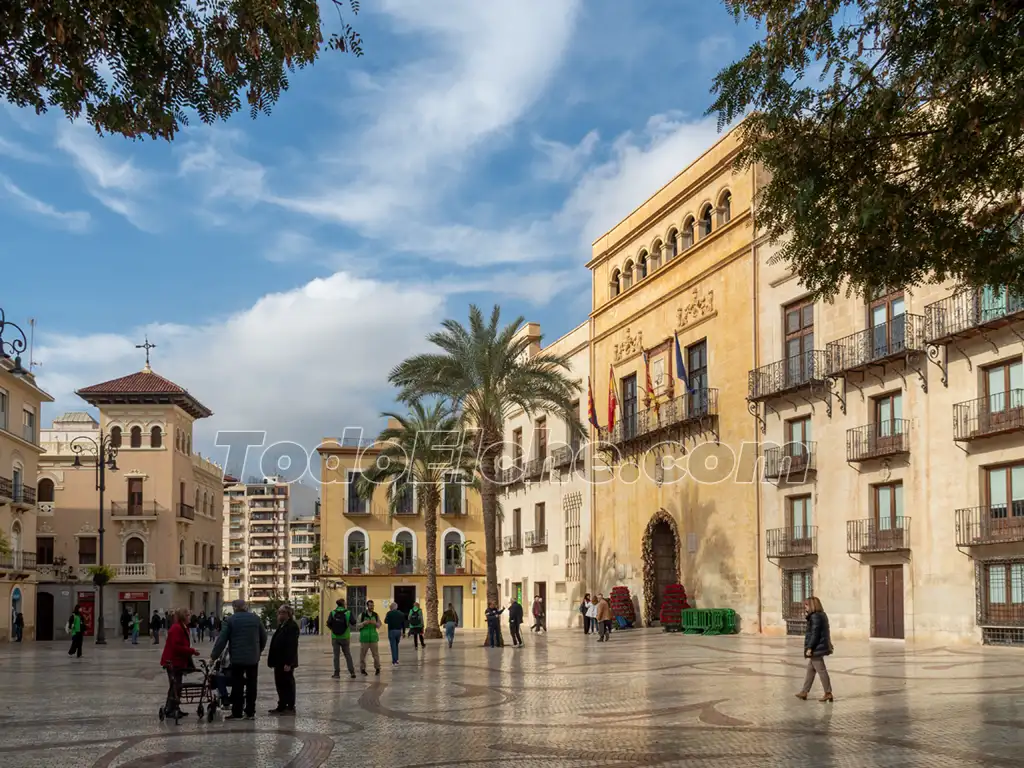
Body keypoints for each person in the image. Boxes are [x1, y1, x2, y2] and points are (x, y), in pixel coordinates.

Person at [212, 599, 267, 720]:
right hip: (253, 658)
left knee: (238, 685)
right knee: (252, 684)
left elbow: (222, 640)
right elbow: (264, 636)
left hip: (237, 659)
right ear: (245, 607)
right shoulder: (255, 619)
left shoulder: (230, 620)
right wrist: (258, 651)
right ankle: (250, 712)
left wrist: (213, 656)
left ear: (234, 607)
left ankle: (237, 712)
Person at [161, 607, 200, 719]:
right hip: (172, 662)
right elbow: (176, 647)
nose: (190, 617)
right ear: (183, 616)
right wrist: (192, 651)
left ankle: (175, 708)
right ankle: (169, 710)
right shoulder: (176, 628)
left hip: (179, 662)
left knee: (178, 686)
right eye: (188, 615)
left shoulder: (183, 627)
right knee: (175, 686)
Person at [796, 596, 834, 703]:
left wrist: (810, 647)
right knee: (810, 670)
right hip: (819, 646)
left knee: (821, 670)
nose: (805, 607)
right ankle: (804, 692)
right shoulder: (821, 615)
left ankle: (828, 693)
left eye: (806, 605)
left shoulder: (815, 617)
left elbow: (815, 634)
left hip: (816, 648)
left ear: (812, 605)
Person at [268, 604, 299, 715]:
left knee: (287, 684)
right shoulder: (282, 625)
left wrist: (289, 663)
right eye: (279, 612)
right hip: (278, 661)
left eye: (282, 612)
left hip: (286, 662)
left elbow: (292, 646)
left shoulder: (292, 626)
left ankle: (290, 706)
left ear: (288, 614)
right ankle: (281, 705)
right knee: (280, 684)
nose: (279, 614)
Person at [328, 598, 356, 679]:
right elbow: (353, 622)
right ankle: (352, 672)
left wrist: (334, 629)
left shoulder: (332, 612)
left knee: (336, 656)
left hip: (335, 637)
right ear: (343, 604)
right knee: (347, 655)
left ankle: (337, 673)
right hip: (345, 637)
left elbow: (329, 623)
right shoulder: (348, 612)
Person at [358, 600, 382, 676]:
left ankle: (377, 668)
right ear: (367, 606)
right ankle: (362, 669)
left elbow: (379, 625)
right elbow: (357, 625)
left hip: (373, 638)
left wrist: (375, 623)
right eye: (370, 605)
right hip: (364, 638)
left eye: (373, 605)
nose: (372, 607)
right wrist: (363, 623)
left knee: (375, 655)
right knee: (362, 655)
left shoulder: (376, 615)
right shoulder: (362, 615)